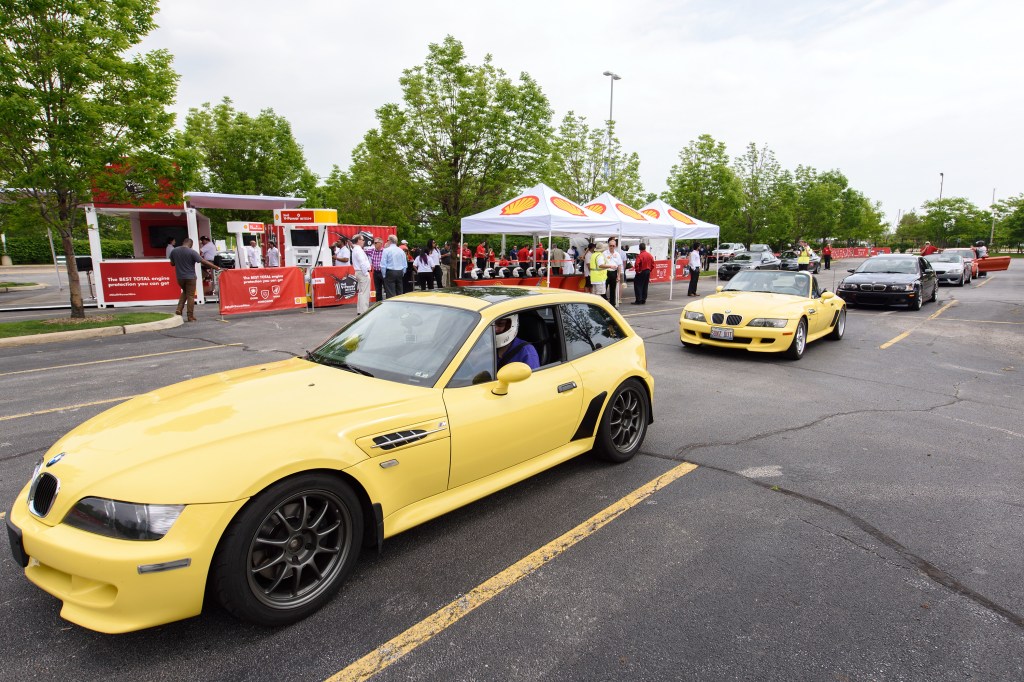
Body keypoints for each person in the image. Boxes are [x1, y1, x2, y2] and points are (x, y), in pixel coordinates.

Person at [169, 238, 221, 322]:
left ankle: (179, 309)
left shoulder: (174, 251)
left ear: (183, 242)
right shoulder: (192, 252)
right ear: (191, 244)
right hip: (190, 277)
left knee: (185, 292)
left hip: (180, 277)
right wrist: (217, 267)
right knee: (190, 296)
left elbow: (172, 263)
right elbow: (203, 261)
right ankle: (190, 316)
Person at [350, 233, 371, 314]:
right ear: (358, 240)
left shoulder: (355, 249)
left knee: (361, 292)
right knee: (364, 293)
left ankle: (360, 310)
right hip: (362, 272)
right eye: (362, 240)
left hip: (359, 272)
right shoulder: (358, 250)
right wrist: (366, 273)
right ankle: (364, 310)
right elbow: (362, 262)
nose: (364, 241)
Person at [605, 237, 623, 306]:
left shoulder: (617, 254)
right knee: (604, 289)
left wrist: (618, 276)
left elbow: (619, 266)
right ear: (608, 245)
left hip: (613, 272)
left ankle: (612, 304)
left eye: (613, 246)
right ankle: (604, 305)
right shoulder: (604, 253)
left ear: (615, 246)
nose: (612, 247)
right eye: (610, 245)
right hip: (606, 272)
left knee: (613, 289)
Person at [369, 236, 385, 301]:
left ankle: (388, 303)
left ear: (381, 244)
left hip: (383, 272)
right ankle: (378, 303)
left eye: (375, 243)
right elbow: (361, 250)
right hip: (376, 272)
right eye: (374, 243)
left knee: (387, 288)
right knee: (377, 290)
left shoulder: (385, 251)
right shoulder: (371, 251)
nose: (374, 244)